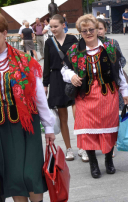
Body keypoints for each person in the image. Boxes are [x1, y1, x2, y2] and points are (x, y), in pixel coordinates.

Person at [0, 12, 55, 202]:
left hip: (26, 127)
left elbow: (39, 96)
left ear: (5, 33)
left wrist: (48, 126)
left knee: (30, 175)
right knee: (13, 177)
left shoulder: (25, 62)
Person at [61, 14, 128, 179]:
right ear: (80, 32)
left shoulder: (109, 47)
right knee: (88, 131)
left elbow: (118, 71)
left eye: (91, 29)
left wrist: (125, 92)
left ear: (96, 29)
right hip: (85, 96)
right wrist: (71, 76)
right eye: (84, 31)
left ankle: (108, 161)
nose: (88, 33)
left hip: (108, 94)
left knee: (109, 129)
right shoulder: (75, 50)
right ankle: (93, 164)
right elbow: (64, 68)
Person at [43, 15, 88, 162]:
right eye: (51, 27)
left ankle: (82, 147)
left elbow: (80, 59)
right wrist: (45, 84)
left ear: (63, 25)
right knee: (63, 118)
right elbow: (47, 64)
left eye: (55, 26)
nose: (53, 29)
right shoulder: (49, 42)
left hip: (72, 79)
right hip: (56, 80)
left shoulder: (72, 40)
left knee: (78, 115)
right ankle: (69, 148)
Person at [97, 18, 127, 110]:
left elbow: (122, 59)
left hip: (113, 79)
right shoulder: (90, 44)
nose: (98, 31)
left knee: (115, 108)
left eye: (101, 29)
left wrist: (114, 67)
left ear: (106, 29)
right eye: (96, 29)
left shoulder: (112, 43)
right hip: (97, 83)